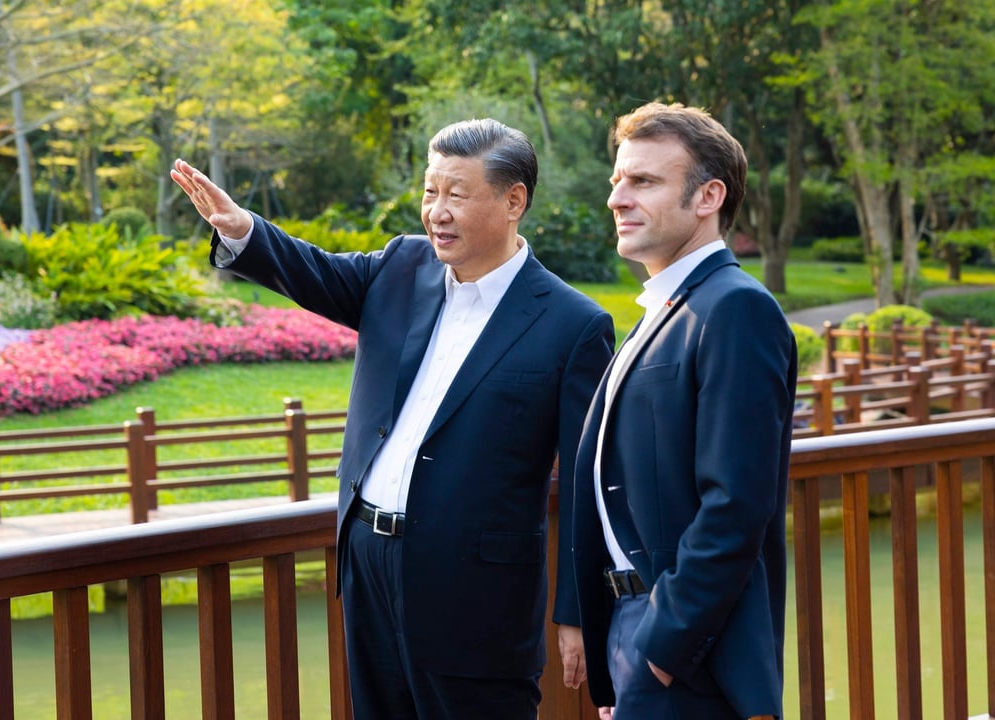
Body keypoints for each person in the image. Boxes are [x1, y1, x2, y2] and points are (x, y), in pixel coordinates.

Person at [170, 118, 615, 720]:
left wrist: (578, 613)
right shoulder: (403, 266)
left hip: (477, 596)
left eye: (457, 194)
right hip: (368, 564)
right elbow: (316, 272)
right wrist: (242, 228)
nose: (437, 211)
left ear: (514, 201)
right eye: (431, 191)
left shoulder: (573, 324)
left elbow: (588, 482)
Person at [564, 101, 798, 719]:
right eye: (617, 179)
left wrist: (659, 654)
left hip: (691, 653)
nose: (617, 198)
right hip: (633, 631)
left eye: (643, 181)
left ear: (708, 197)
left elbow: (736, 506)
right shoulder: (661, 309)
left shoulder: (736, 309)